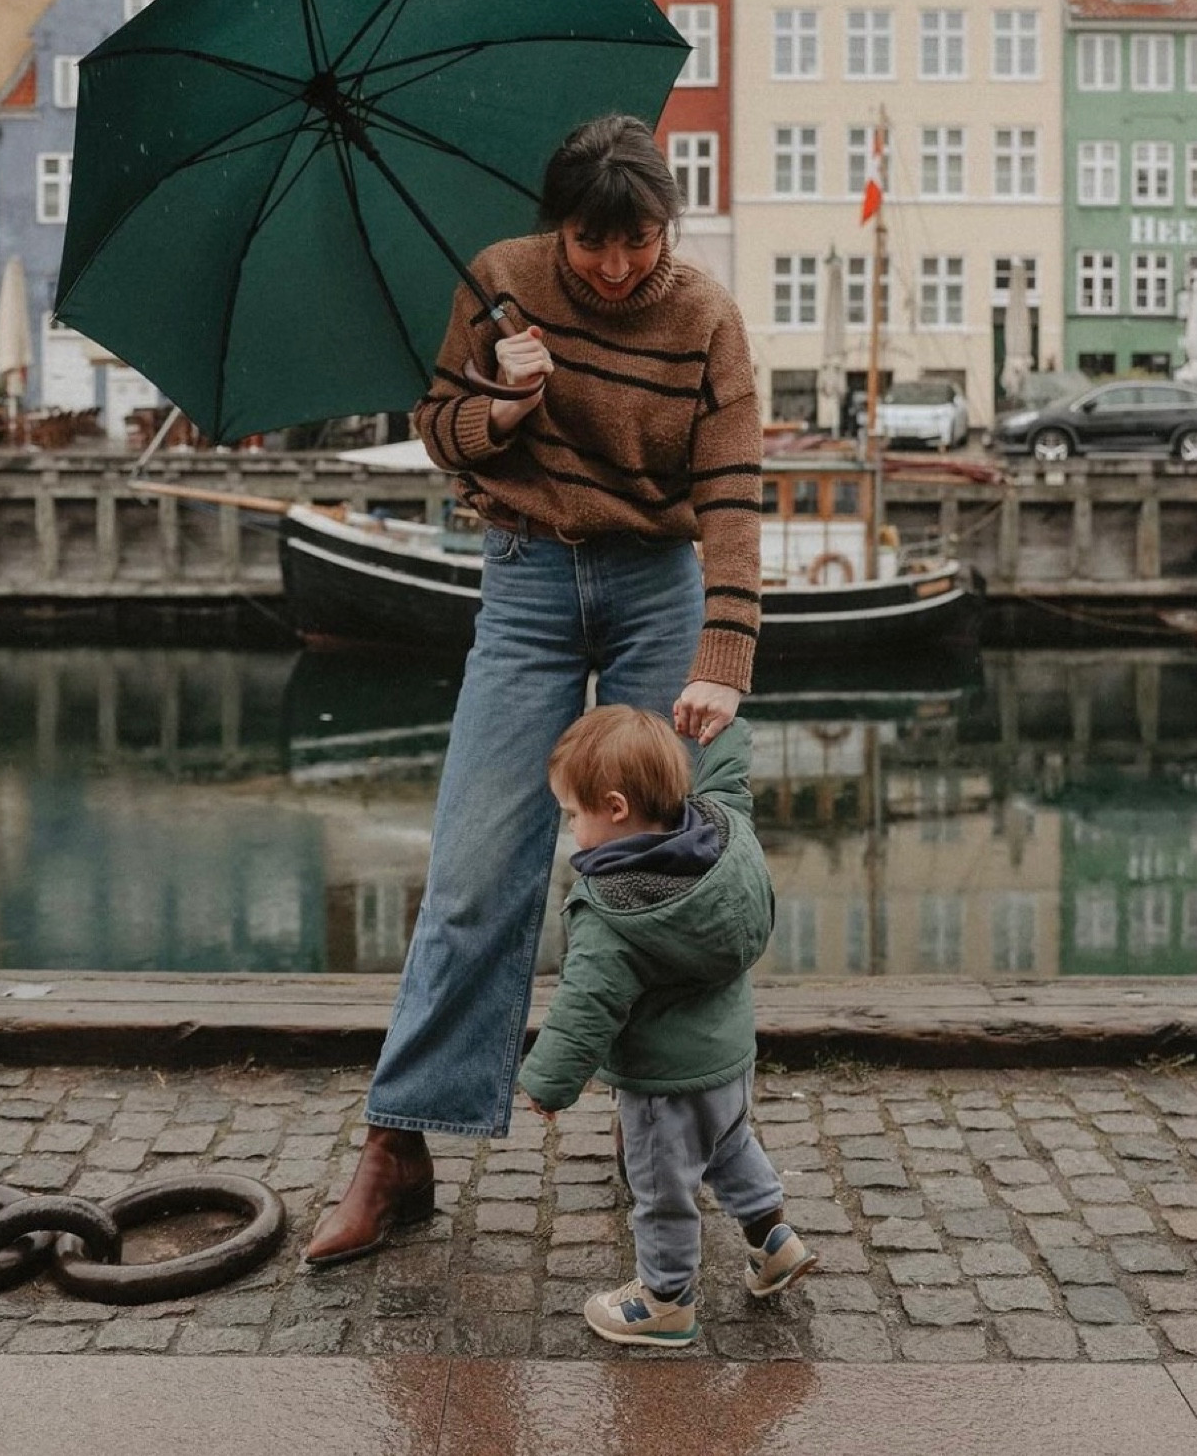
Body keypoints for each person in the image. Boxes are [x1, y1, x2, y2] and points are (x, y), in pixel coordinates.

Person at [302, 113, 763, 1268]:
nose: (612, 264)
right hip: (525, 577)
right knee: (473, 865)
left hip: (657, 585)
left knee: (664, 866)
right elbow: (439, 431)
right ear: (558, 224)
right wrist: (504, 402)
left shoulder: (706, 318)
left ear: (666, 222)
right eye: (589, 240)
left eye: (637, 238)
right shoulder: (500, 281)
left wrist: (722, 655)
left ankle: (662, 1130)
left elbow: (732, 493)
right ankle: (398, 1146)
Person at [516, 705, 816, 1348]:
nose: (571, 829)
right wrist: (725, 728)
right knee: (730, 1146)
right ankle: (774, 1242)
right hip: (729, 1060)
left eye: (573, 814)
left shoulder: (614, 911)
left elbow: (586, 1004)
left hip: (664, 1086)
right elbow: (729, 776)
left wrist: (548, 1082)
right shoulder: (724, 831)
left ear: (615, 808)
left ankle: (666, 1300)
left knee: (661, 1190)